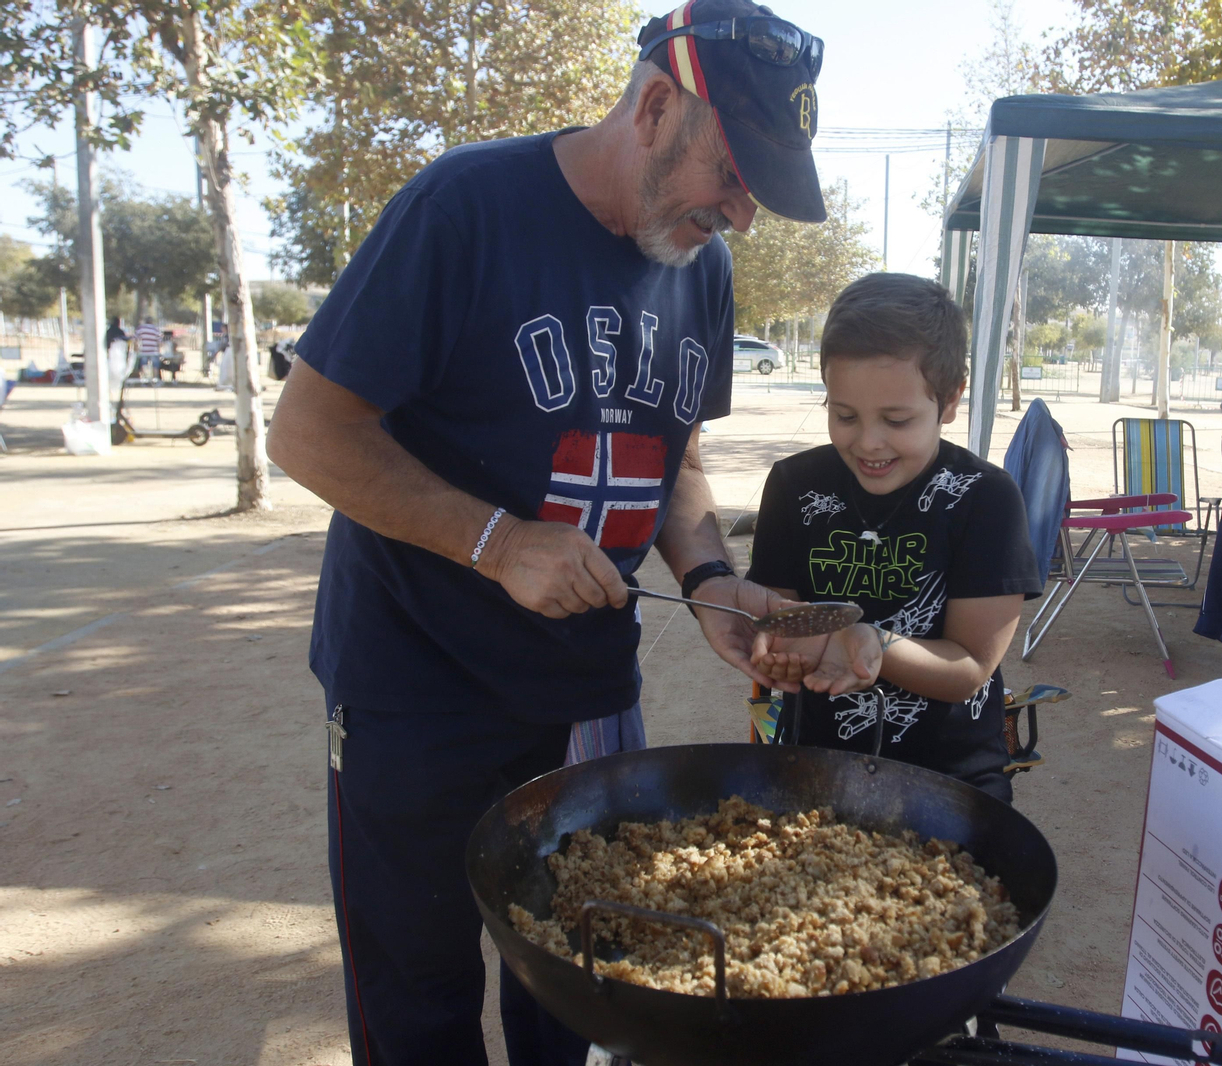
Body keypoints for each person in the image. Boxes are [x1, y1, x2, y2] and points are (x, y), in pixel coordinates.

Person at [264, 5, 849, 1065]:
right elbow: (307, 430)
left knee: (577, 977)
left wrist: (709, 572)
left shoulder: (702, 268)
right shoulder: (466, 204)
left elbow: (673, 454)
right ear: (657, 105)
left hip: (581, 690)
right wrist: (497, 541)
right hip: (416, 683)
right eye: (733, 173)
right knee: (421, 983)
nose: (743, 213)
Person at [744, 274, 1042, 803]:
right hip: (816, 769)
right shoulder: (795, 486)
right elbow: (778, 621)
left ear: (950, 401)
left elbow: (969, 668)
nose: (869, 442)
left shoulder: (986, 499)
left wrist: (871, 642)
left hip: (953, 782)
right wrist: (781, 649)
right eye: (845, 416)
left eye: (897, 420)